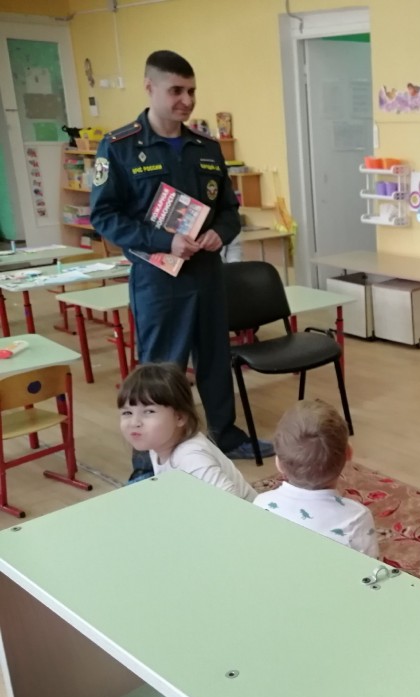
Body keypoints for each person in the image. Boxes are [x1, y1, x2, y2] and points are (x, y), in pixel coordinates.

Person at [90, 50, 270, 483]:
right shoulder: (120, 147)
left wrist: (220, 233)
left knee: (215, 359)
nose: (186, 100)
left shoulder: (206, 147)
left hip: (206, 273)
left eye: (191, 91)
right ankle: (148, 462)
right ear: (149, 87)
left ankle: (225, 436)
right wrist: (162, 240)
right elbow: (105, 217)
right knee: (160, 370)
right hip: (158, 279)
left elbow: (229, 210)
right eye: (176, 91)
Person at [253, 400, 379, 558]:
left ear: (278, 462)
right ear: (349, 454)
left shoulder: (261, 503)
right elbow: (371, 568)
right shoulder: (357, 518)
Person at [118, 362, 256, 501]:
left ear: (180, 417)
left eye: (149, 412)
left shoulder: (191, 457)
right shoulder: (158, 444)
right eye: (127, 413)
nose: (134, 423)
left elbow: (232, 502)